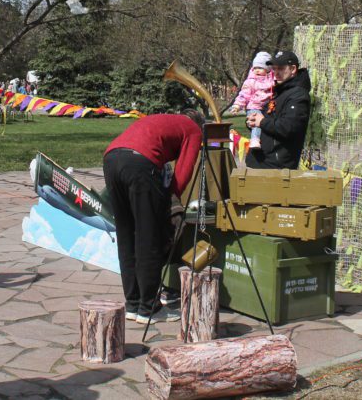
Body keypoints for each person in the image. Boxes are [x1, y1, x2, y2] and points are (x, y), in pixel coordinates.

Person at [103, 110, 204, 323]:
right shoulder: (193, 130)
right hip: (140, 165)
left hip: (111, 159)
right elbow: (185, 169)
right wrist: (169, 200)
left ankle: (133, 303)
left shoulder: (163, 120)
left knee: (127, 234)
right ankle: (150, 308)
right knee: (148, 236)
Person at [245, 50, 311, 170]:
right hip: (260, 163)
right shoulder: (277, 91)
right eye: (274, 68)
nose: (276, 72)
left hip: (276, 168)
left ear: (293, 69)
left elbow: (289, 128)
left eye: (280, 68)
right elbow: (265, 116)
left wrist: (262, 122)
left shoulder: (298, 95)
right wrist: (252, 121)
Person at [228, 51, 275, 149]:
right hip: (254, 106)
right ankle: (254, 140)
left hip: (267, 106)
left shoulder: (271, 80)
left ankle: (264, 140)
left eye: (260, 68)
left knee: (266, 122)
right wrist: (237, 105)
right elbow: (244, 94)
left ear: (268, 69)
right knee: (257, 120)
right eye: (255, 68)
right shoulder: (250, 81)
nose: (257, 70)